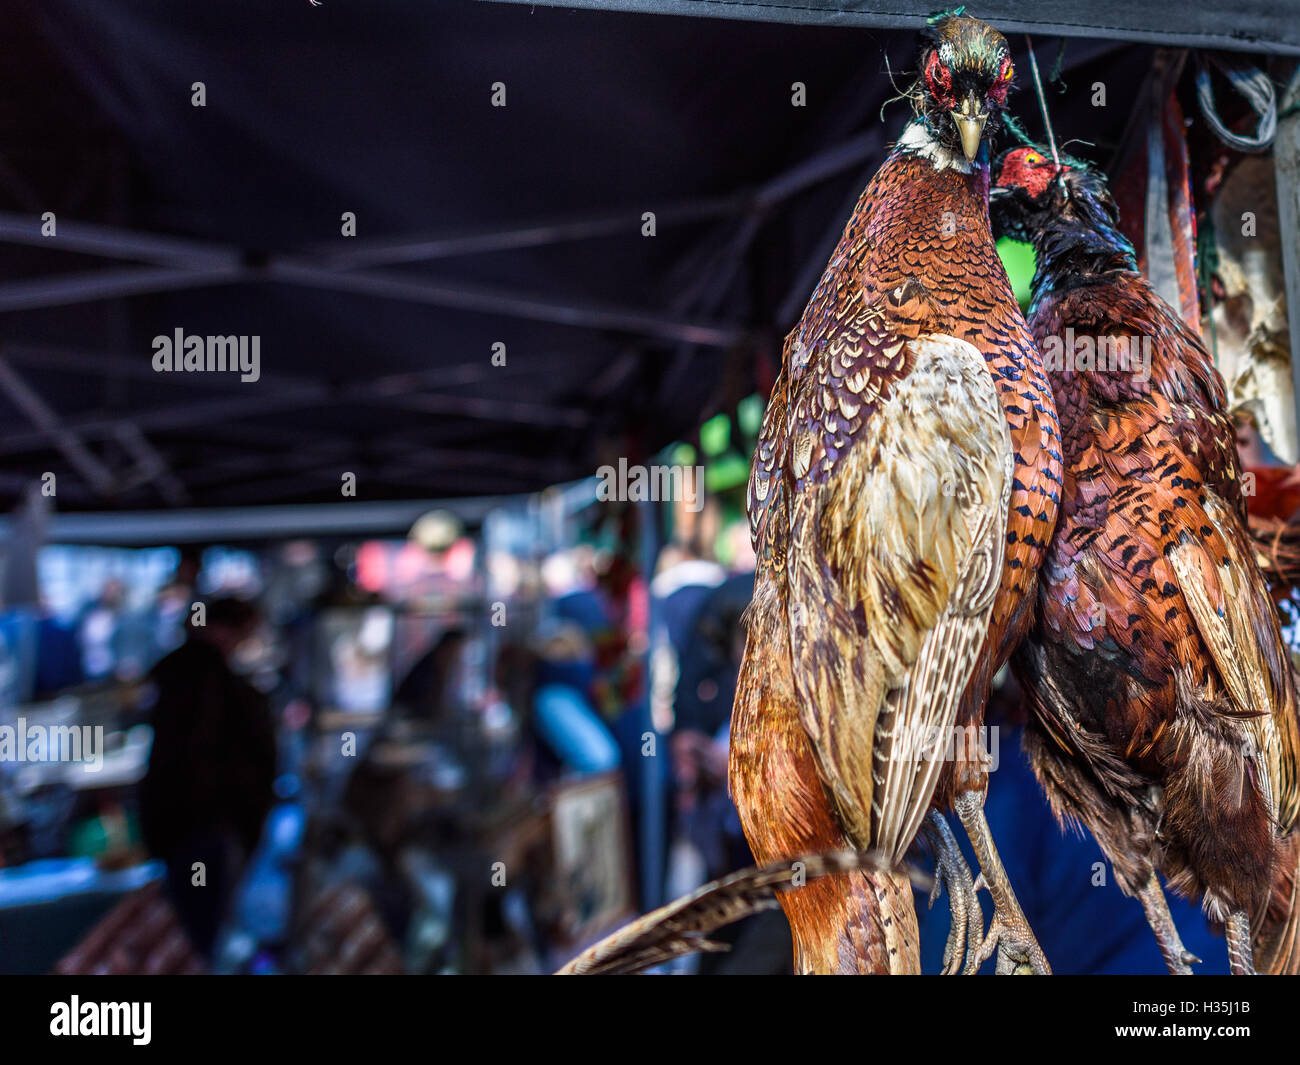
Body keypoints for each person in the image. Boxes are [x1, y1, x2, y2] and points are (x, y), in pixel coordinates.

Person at [138, 597, 276, 958]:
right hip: (203, 826)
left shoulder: (184, 676)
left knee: (193, 926)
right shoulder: (210, 681)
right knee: (200, 930)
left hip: (187, 826)